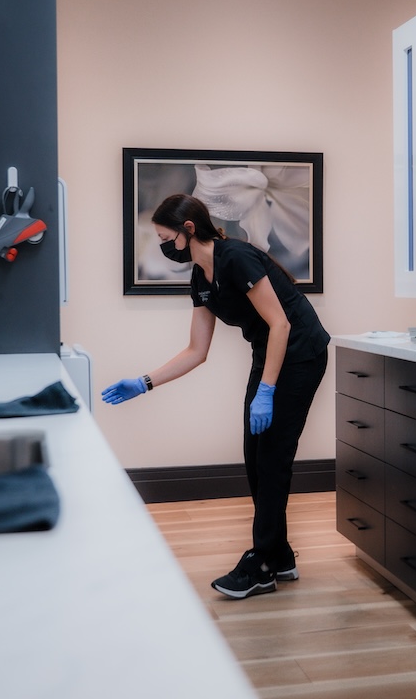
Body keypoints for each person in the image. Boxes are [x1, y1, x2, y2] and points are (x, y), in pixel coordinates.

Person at [102, 193, 330, 600]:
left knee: (273, 457)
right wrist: (145, 382)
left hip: (301, 351)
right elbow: (196, 351)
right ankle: (279, 555)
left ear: (188, 230)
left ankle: (261, 564)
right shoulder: (201, 278)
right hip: (270, 354)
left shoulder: (236, 259)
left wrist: (267, 391)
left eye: (164, 237)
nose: (162, 246)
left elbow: (280, 325)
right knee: (255, 455)